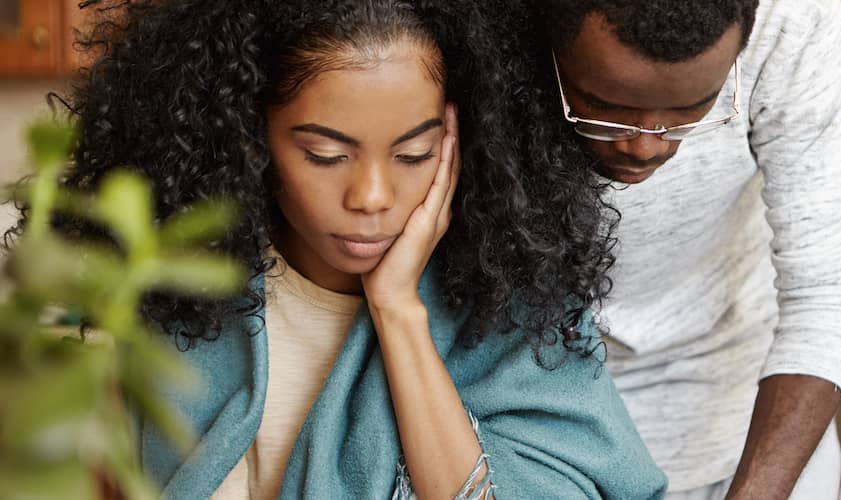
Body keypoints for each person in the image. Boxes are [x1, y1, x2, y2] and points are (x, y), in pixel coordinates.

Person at [9, 0, 668, 498]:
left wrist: (399, 311)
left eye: (413, 154)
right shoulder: (170, 278)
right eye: (325, 154)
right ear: (246, 131)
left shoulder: (522, 307)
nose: (372, 195)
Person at [531, 0, 841, 498]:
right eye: (606, 105)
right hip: (544, 413)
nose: (645, 145)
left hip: (746, 412)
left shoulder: (793, 19)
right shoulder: (490, 21)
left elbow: (825, 292)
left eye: (692, 106)